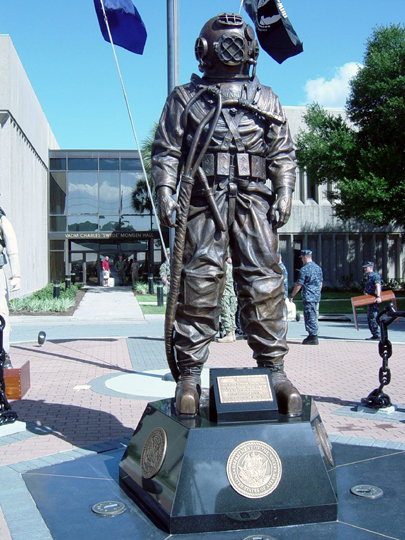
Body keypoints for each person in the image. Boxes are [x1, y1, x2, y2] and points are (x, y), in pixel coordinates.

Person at [152, 13, 301, 417]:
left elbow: (282, 153)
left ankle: (274, 370)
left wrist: (285, 190)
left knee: (264, 282)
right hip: (204, 202)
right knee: (198, 282)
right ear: (205, 50)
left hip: (254, 201)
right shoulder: (186, 98)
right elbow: (166, 152)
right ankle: (189, 375)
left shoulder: (266, 98)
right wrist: (165, 192)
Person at [0, 207, 20, 368]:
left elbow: (13, 250)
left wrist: (16, 275)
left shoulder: (2, 220)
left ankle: (3, 353)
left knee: (1, 313)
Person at [290, 250, 323, 345]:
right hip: (316, 296)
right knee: (314, 314)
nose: (301, 260)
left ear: (305, 257)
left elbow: (299, 284)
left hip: (308, 297)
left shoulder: (304, 270)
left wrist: (292, 295)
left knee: (310, 316)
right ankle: (313, 334)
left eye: (302, 258)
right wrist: (317, 293)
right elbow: (320, 283)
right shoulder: (318, 268)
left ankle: (313, 336)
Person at [216, 256, 237, 343]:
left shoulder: (223, 267)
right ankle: (232, 334)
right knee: (232, 314)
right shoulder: (232, 267)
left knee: (226, 313)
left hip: (225, 293)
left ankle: (229, 335)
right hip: (231, 293)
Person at [363, 261, 382, 340]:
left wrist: (378, 296)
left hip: (374, 299)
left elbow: (378, 286)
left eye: (366, 267)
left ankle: (377, 334)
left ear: (371, 267)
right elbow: (368, 287)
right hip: (370, 299)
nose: (364, 269)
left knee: (373, 316)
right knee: (370, 317)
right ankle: (374, 334)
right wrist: (365, 291)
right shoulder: (369, 277)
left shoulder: (375, 276)